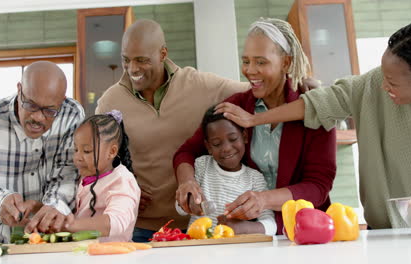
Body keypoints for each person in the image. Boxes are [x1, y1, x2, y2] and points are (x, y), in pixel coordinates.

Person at [215, 21, 411, 229]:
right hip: (383, 231)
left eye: (392, 82)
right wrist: (253, 119)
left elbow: (318, 184)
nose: (383, 86)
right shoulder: (371, 85)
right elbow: (319, 104)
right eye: (246, 61)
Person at [174, 18, 336, 235]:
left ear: (286, 63)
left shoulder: (314, 110)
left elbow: (318, 187)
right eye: (246, 61)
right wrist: (187, 182)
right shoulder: (235, 106)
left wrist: (264, 200)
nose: (250, 70)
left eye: (261, 62)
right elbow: (187, 151)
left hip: (303, 229)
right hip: (245, 234)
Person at [95, 19, 250, 242]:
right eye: (126, 60)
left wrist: (301, 87)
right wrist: (122, 186)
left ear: (163, 53)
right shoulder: (110, 101)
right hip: (140, 227)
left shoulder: (200, 84)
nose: (132, 69)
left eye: (142, 60)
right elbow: (97, 162)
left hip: (200, 225)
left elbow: (257, 91)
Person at [0, 61, 85, 243]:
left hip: (53, 245)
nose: (38, 118)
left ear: (61, 102)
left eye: (49, 111)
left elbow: (70, 172)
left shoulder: (72, 116)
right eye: (30, 105)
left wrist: (55, 205)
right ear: (19, 89)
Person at [176, 107, 276, 235]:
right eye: (217, 144)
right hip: (199, 249)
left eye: (233, 139)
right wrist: (188, 201)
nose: (227, 148)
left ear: (244, 136)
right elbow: (180, 209)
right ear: (208, 147)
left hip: (236, 251)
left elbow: (271, 225)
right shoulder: (201, 165)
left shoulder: (255, 178)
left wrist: (242, 228)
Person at [64, 111, 140, 241]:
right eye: (76, 149)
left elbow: (116, 222)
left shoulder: (122, 181)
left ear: (112, 151)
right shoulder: (84, 177)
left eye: (87, 151)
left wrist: (69, 225)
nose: (77, 157)